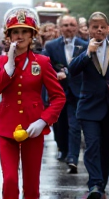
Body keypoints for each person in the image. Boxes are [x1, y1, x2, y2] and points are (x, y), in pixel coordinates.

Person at [0, 7, 66, 199]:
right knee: (10, 181)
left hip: (33, 127)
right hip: (6, 129)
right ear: (9, 36)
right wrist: (9, 67)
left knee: (31, 185)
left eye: (24, 31)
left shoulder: (43, 62)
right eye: (15, 32)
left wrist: (44, 121)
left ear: (32, 36)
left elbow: (58, 97)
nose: (19, 36)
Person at [69, 11, 109, 199]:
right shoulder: (81, 47)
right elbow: (73, 70)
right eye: (95, 27)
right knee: (92, 145)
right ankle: (94, 184)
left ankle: (100, 187)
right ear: (88, 29)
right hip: (89, 107)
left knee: (105, 148)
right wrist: (89, 53)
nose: (99, 30)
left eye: (102, 26)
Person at [44, 15, 88, 173]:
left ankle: (73, 157)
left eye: (72, 25)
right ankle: (62, 148)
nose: (69, 28)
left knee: (74, 125)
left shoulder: (85, 45)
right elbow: (45, 64)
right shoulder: (51, 46)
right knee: (60, 124)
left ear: (76, 27)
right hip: (58, 91)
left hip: (78, 91)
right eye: (65, 25)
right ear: (60, 28)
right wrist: (56, 73)